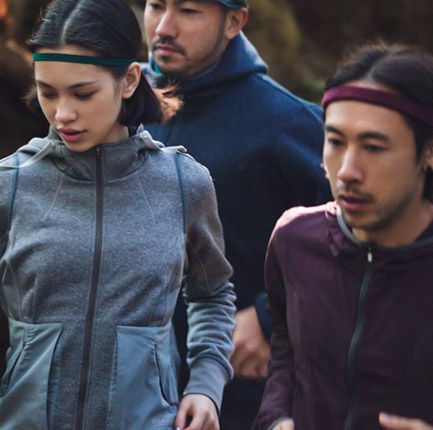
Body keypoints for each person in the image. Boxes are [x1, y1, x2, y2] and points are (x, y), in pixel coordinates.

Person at [0, 1, 237, 429]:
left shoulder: (183, 183)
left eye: (82, 94)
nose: (62, 114)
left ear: (129, 80)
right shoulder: (7, 183)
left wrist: (205, 384)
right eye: (48, 93)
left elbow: (212, 295)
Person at [255, 43, 433, 430]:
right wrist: (277, 418)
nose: (347, 171)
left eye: (373, 147)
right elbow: (286, 349)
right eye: (335, 142)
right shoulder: (294, 239)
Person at [142, 1, 330, 427]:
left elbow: (352, 241)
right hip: (128, 393)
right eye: (155, 5)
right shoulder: (115, 102)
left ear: (234, 22)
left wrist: (271, 318)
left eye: (188, 11)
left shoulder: (290, 124)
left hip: (242, 395)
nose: (164, 27)